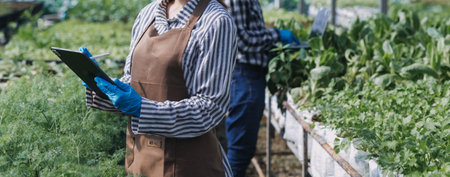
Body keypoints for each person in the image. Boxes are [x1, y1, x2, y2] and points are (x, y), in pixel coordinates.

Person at [82, 0, 237, 176]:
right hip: (141, 158)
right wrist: (103, 85)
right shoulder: (148, 13)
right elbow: (132, 82)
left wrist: (143, 108)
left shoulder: (216, 21)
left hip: (188, 164)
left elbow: (210, 108)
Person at [223, 0, 300, 176]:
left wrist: (275, 48)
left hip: (249, 75)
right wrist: (276, 36)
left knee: (243, 147)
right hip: (245, 75)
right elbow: (240, 39)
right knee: (240, 150)